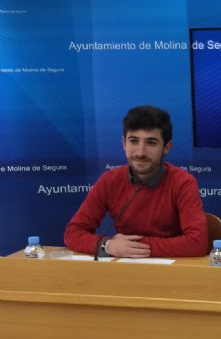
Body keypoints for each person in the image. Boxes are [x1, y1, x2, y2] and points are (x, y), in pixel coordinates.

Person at [64, 105, 208, 258]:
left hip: (172, 267)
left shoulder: (183, 182)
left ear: (166, 147)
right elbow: (73, 233)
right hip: (124, 268)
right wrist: (108, 245)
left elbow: (197, 243)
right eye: (133, 141)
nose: (140, 152)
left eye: (151, 143)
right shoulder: (109, 180)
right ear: (124, 144)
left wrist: (132, 247)